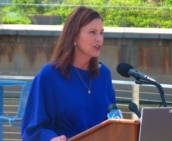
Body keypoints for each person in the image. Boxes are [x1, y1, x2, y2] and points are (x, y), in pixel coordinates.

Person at [21, 6, 117, 141]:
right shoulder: (49, 76)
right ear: (74, 35)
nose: (99, 39)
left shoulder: (104, 75)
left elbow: (113, 121)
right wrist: (51, 138)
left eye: (101, 33)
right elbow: (32, 130)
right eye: (92, 32)